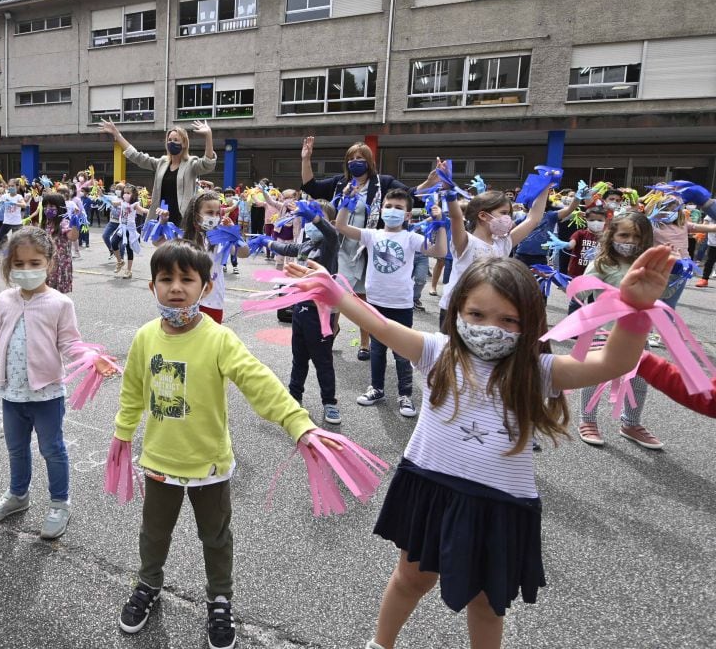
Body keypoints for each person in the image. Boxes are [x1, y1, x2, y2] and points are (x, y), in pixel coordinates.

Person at [286, 245, 673, 649]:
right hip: (430, 486)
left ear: (530, 325)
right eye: (477, 315)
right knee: (410, 579)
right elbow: (381, 326)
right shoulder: (437, 352)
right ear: (457, 313)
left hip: (499, 503)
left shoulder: (536, 371)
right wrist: (335, 295)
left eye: (509, 320)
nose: (492, 328)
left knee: (488, 603)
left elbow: (611, 363)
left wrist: (634, 308)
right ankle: (379, 644)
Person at [113, 241, 318, 649]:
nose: (175, 287)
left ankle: (219, 599)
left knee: (216, 537)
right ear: (152, 285)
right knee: (154, 534)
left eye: (186, 279)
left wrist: (298, 423)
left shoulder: (219, 338)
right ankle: (148, 584)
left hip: (209, 464)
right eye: (165, 279)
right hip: (159, 460)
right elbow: (133, 391)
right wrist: (122, 434)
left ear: (205, 287)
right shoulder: (144, 337)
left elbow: (257, 380)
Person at [0, 228, 93, 540]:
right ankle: (18, 495)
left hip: (48, 395)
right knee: (16, 448)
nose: (26, 270)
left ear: (50, 264)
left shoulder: (60, 303)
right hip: (12, 394)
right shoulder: (5, 299)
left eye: (34, 262)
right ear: (9, 265)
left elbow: (71, 344)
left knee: (52, 449)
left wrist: (92, 359)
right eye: (19, 264)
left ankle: (59, 503)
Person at [299, 137, 439, 360]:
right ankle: (330, 331)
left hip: (369, 247)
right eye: (352, 158)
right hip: (341, 247)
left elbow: (409, 196)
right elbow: (311, 188)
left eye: (360, 158)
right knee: (335, 293)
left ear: (369, 162)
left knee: (364, 298)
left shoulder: (383, 183)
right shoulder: (339, 184)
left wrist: (429, 184)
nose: (356, 162)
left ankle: (365, 343)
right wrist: (306, 159)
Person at [338, 191, 448, 418]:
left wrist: (441, 224)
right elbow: (342, 226)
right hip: (375, 302)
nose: (392, 210)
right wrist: (346, 204)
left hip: (401, 305)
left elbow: (441, 251)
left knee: (402, 353)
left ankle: (405, 394)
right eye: (389, 206)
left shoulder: (411, 238)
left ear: (408, 215)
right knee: (377, 350)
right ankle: (377, 389)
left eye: (398, 207)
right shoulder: (372, 235)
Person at [575, 211, 666, 449]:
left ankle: (631, 423)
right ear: (611, 235)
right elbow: (581, 293)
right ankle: (588, 420)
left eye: (637, 237)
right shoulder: (602, 263)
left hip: (637, 335)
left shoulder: (645, 265)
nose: (630, 242)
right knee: (594, 376)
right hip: (604, 333)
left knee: (638, 380)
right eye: (624, 235)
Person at [268, 201, 341, 424]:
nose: (311, 223)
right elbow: (288, 249)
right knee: (298, 359)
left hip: (320, 315)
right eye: (308, 219)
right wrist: (268, 243)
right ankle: (294, 395)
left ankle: (329, 402)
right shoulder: (307, 245)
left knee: (323, 361)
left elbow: (332, 235)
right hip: (299, 311)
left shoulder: (329, 246)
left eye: (316, 219)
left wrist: (317, 218)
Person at [440, 185, 550, 330]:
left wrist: (544, 188)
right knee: (453, 352)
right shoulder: (466, 242)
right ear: (483, 215)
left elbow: (533, 219)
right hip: (457, 310)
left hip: (487, 312)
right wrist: (449, 191)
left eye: (509, 214)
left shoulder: (503, 244)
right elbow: (456, 217)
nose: (508, 219)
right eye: (504, 213)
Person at [154, 190, 249, 323]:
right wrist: (162, 223)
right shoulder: (183, 237)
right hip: (186, 301)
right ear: (196, 215)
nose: (214, 217)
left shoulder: (221, 239)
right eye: (210, 213)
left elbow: (244, 253)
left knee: (209, 342)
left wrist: (234, 234)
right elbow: (157, 241)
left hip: (213, 302)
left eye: (218, 213)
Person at [98, 119, 216, 226]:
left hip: (183, 219)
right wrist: (117, 135)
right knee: (162, 247)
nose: (172, 142)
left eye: (176, 140)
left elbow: (208, 164)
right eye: (169, 140)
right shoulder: (162, 163)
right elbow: (137, 157)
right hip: (162, 216)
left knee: (179, 249)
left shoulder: (191, 163)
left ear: (184, 143)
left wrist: (208, 136)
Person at [39, 192, 78, 294]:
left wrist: (75, 225)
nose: (48, 208)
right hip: (46, 262)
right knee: (45, 291)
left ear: (60, 207)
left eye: (51, 206)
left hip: (60, 262)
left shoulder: (63, 222)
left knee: (56, 292)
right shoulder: (45, 223)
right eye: (45, 206)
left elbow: (73, 237)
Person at [111, 184, 149, 279]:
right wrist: (102, 196)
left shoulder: (135, 204)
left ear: (133, 195)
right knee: (113, 242)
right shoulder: (122, 202)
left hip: (130, 229)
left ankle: (129, 270)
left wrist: (151, 211)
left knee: (129, 248)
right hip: (121, 227)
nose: (125, 195)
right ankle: (120, 261)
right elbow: (113, 202)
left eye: (128, 193)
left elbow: (143, 210)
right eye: (125, 193)